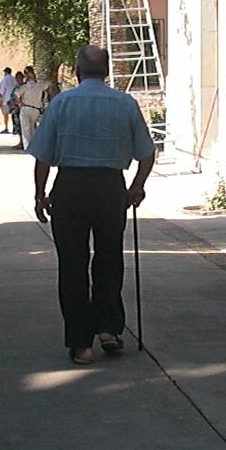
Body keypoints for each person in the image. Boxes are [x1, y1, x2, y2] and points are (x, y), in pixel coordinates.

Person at [28, 45, 156, 365]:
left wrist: (40, 194)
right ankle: (109, 329)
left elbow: (43, 155)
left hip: (70, 187)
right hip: (110, 187)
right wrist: (136, 186)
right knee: (109, 259)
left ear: (77, 71)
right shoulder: (125, 103)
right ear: (108, 71)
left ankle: (80, 344)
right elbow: (147, 153)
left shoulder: (62, 102)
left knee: (72, 265)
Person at [17, 65, 50, 148]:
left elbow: (16, 94)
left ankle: (27, 146)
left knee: (25, 129)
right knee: (33, 128)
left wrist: (19, 102)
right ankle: (34, 145)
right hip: (35, 109)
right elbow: (48, 84)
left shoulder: (25, 86)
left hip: (25, 107)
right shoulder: (40, 86)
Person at [0, 67, 16, 133]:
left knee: (5, 114)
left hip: (6, 99)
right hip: (14, 99)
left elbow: (2, 91)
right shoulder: (14, 79)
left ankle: (6, 127)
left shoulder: (5, 80)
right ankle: (15, 127)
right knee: (14, 114)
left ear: (5, 72)